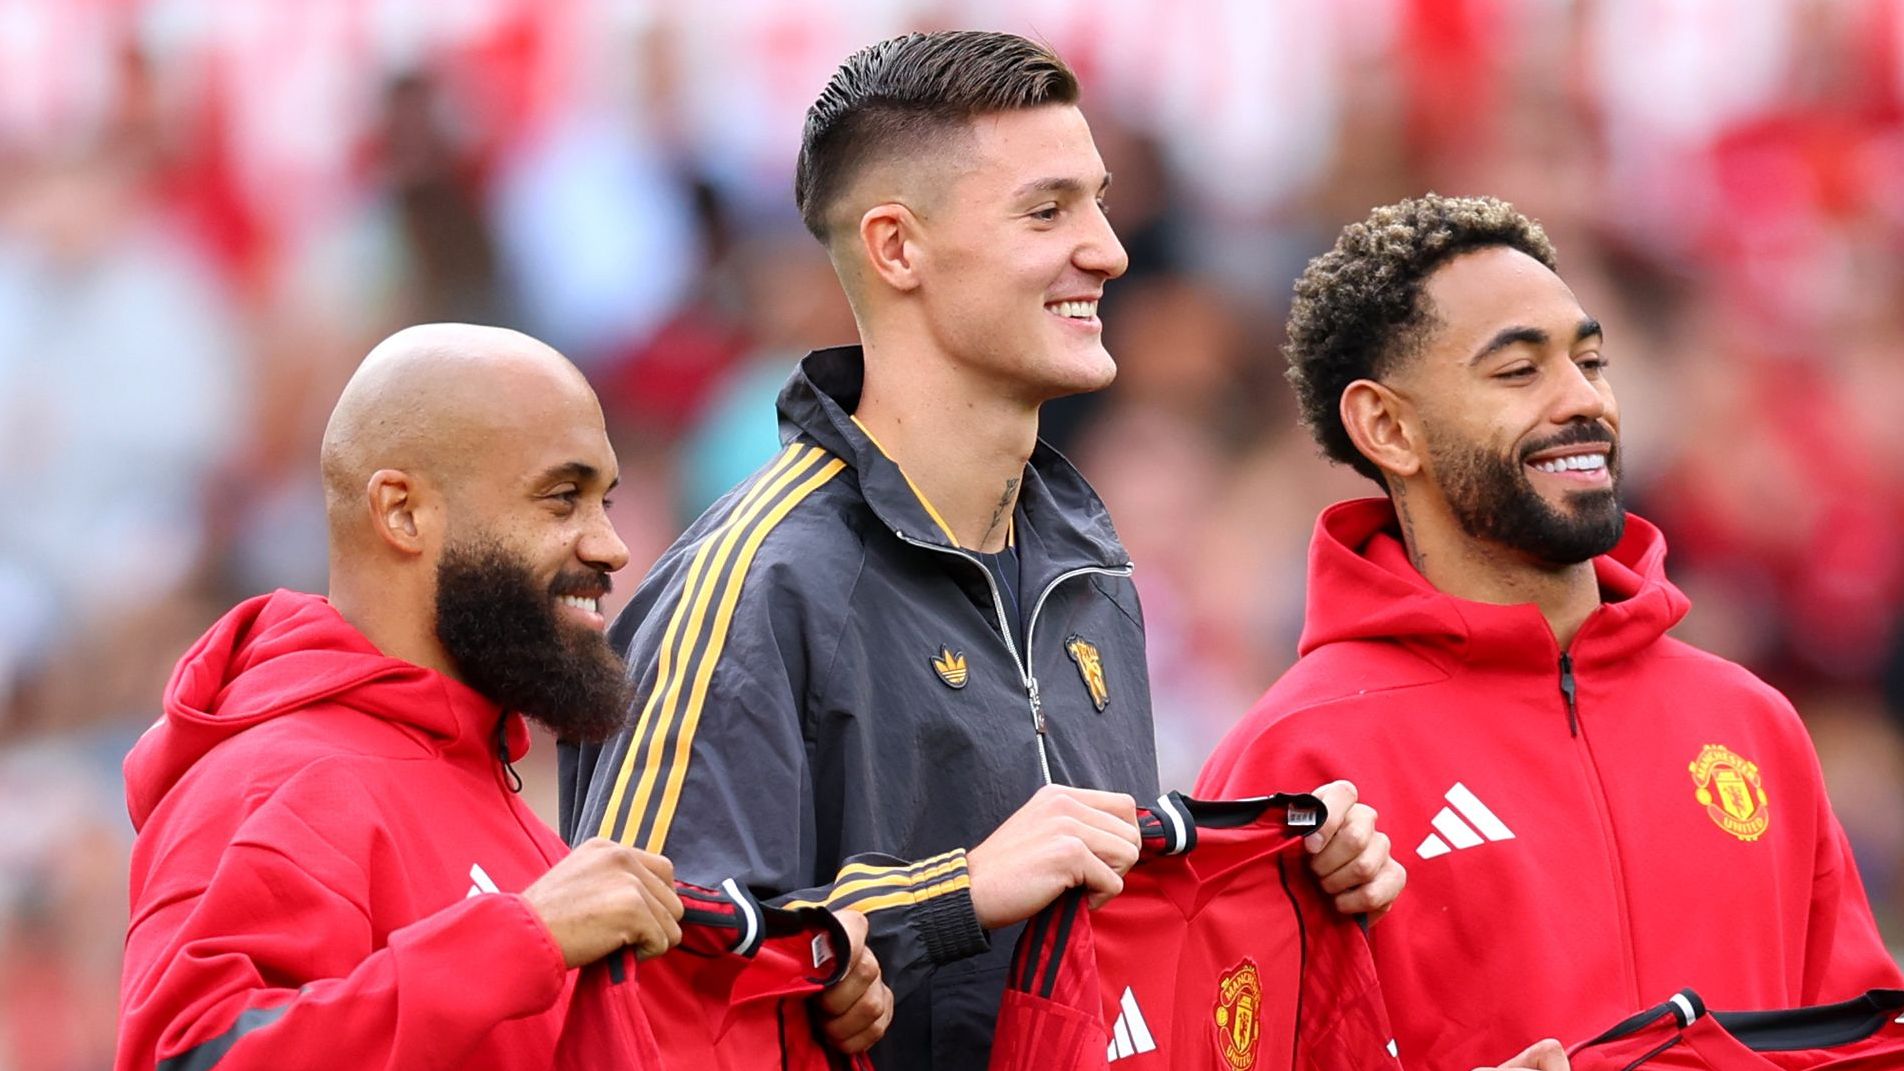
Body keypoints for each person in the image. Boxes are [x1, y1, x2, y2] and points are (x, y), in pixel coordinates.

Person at [561, 32, 1401, 1070]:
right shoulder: (752, 584)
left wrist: (1279, 890)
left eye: (1098, 204)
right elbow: (644, 988)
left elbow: (1098, 974)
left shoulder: (1089, 565)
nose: (1107, 251)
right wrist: (950, 894)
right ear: (895, 248)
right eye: (1046, 211)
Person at [1196, 194, 1904, 1071]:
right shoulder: (1294, 758)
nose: (1585, 399)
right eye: (1519, 370)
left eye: (1591, 360)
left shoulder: (1753, 723)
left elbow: (1864, 1047)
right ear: (1388, 426)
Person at [116, 324, 889, 1071]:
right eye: (562, 497)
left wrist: (797, 1002)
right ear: (403, 511)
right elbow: (190, 1057)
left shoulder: (504, 811)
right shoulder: (272, 780)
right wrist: (524, 937)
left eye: (605, 501)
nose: (611, 545)